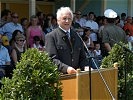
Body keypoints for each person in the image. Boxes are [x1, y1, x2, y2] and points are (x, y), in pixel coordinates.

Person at [45, 7, 90, 74]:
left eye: (69, 19)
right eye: (64, 18)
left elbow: (82, 57)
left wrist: (86, 67)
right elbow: (51, 59)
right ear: (58, 20)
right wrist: (66, 69)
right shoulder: (51, 36)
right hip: (61, 77)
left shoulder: (77, 36)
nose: (67, 21)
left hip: (76, 76)